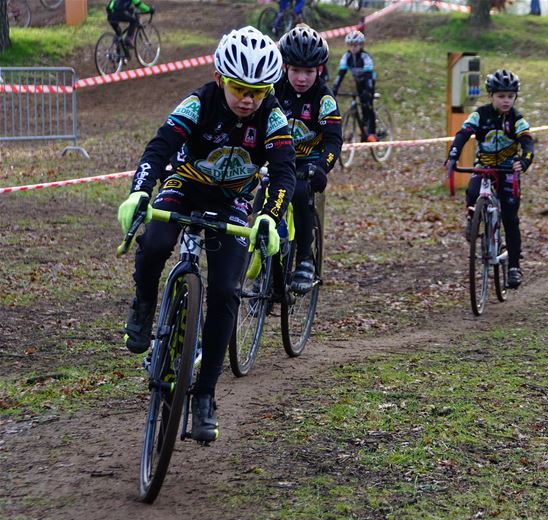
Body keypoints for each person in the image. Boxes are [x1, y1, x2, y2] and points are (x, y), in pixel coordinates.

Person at [116, 26, 295, 442]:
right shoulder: (199, 102)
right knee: (156, 242)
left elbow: (283, 169)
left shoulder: (272, 116)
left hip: (231, 201)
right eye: (239, 88)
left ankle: (205, 395)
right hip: (185, 186)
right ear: (220, 78)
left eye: (259, 91)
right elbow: (160, 145)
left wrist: (269, 215)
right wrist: (140, 190)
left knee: (226, 293)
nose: (248, 99)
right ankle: (143, 305)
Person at [446, 69, 534, 289]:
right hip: (485, 167)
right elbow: (464, 133)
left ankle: (514, 267)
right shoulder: (480, 114)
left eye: (510, 96)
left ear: (515, 97)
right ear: (491, 96)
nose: (506, 101)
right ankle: (472, 220)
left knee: (511, 219)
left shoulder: (516, 118)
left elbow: (527, 141)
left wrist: (524, 161)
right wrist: (454, 154)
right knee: (473, 191)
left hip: (506, 171)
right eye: (501, 96)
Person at [275, 25, 342, 293]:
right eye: (295, 71)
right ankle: (267, 264)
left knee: (300, 193)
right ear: (284, 68)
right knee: (261, 200)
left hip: (308, 164)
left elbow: (334, 140)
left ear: (320, 70)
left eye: (309, 72)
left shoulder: (324, 98)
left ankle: (304, 256)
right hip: (279, 160)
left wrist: (322, 166)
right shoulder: (273, 91)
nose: (302, 78)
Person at [331, 30, 378, 142]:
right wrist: (334, 89)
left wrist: (368, 92)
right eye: (351, 45)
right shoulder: (346, 57)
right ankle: (363, 132)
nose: (353, 48)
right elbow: (340, 75)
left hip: (369, 81)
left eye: (355, 45)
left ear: (361, 45)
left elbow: (368, 77)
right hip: (358, 82)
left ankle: (372, 133)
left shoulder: (365, 57)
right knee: (360, 105)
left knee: (367, 105)